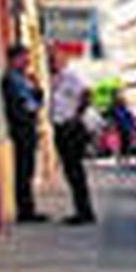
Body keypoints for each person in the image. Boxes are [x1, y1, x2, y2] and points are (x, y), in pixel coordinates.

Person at [47, 44, 95, 224]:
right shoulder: (54, 79)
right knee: (70, 171)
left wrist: (76, 116)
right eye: (50, 59)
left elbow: (87, 94)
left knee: (75, 171)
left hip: (71, 128)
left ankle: (85, 212)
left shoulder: (70, 76)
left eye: (55, 59)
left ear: (63, 60)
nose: (52, 62)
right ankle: (81, 209)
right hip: (60, 127)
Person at [0, 43, 46, 222]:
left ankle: (29, 208)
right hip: (21, 129)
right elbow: (19, 105)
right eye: (24, 57)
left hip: (28, 127)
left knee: (28, 170)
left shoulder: (23, 78)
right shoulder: (10, 79)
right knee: (23, 170)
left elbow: (37, 101)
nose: (27, 61)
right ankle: (25, 211)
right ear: (14, 59)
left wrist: (36, 87)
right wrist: (30, 110)